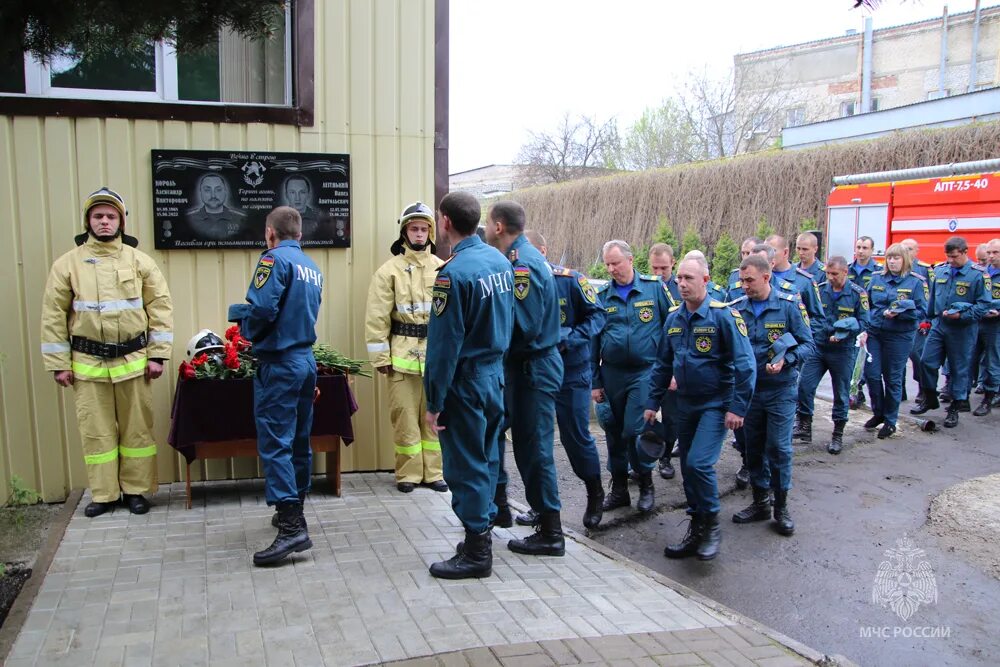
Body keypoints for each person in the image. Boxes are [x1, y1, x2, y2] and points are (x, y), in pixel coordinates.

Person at [41, 187, 173, 518]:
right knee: (96, 433)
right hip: (86, 363)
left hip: (134, 361)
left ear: (121, 222)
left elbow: (160, 307)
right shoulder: (67, 264)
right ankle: (104, 494)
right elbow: (53, 314)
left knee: (137, 432)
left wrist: (157, 356)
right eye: (98, 216)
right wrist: (59, 364)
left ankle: (136, 491)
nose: (104, 221)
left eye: (110, 216)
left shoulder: (140, 261)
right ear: (88, 221)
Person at [423, 192, 513, 579]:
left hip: (467, 381)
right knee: (489, 456)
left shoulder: (453, 274)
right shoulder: (498, 260)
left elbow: (444, 347)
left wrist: (433, 401)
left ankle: (477, 550)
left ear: (444, 222)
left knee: (465, 464)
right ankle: (481, 534)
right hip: (494, 375)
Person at [229, 206, 323, 566]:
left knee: (276, 444)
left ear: (270, 233)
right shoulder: (311, 267)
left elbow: (263, 309)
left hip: (280, 363)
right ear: (299, 234)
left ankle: (291, 527)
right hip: (304, 361)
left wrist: (244, 325)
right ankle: (293, 508)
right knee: (299, 439)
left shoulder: (272, 261)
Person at [644, 257, 755, 561]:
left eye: (689, 278)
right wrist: (652, 402)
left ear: (705, 281)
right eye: (679, 278)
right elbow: (662, 364)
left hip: (716, 404)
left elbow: (746, 365)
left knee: (699, 464)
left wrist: (737, 408)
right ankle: (696, 529)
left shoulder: (724, 317)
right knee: (687, 467)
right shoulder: (673, 318)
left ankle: (712, 527)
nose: (681, 284)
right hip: (686, 405)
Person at [485, 202, 567, 557]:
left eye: (488, 223)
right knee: (518, 445)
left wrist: (486, 336)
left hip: (533, 367)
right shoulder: (520, 258)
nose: (485, 229)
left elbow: (525, 325)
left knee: (535, 451)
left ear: (499, 226)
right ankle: (503, 506)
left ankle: (551, 532)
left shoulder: (524, 264)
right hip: (524, 367)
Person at [512, 230, 607, 529]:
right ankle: (541, 506)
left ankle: (595, 492)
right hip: (535, 372)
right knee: (535, 441)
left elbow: (597, 316)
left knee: (574, 436)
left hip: (571, 372)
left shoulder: (569, 280)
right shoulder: (516, 281)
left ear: (543, 249)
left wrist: (569, 338)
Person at [364, 202, 447, 493]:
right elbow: (376, 318)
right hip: (401, 357)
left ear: (431, 233)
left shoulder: (443, 268)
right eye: (414, 228)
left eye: (425, 229)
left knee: (435, 416)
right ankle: (408, 475)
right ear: (404, 232)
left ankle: (434, 473)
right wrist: (380, 358)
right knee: (405, 417)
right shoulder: (389, 272)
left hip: (436, 357)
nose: (420, 234)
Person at [731, 255, 815, 537]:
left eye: (750, 280)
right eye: (742, 281)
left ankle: (781, 506)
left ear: (767, 277)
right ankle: (760, 502)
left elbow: (808, 344)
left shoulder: (789, 305)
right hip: (750, 391)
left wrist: (787, 360)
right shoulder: (737, 309)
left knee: (778, 448)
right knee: (752, 448)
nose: (744, 286)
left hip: (780, 390)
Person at [592, 240, 674, 515]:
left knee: (634, 429)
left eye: (616, 262)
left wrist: (670, 370)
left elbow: (671, 328)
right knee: (614, 432)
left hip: (645, 371)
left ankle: (646, 483)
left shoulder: (653, 288)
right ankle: (619, 490)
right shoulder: (602, 296)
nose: (611, 268)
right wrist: (595, 381)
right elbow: (593, 340)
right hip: (612, 373)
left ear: (630, 259)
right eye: (607, 264)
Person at [913, 236, 992, 428]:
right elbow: (932, 299)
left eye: (954, 257)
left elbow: (983, 305)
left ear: (965, 252)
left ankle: (955, 407)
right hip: (940, 324)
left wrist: (963, 316)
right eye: (948, 256)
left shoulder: (979, 275)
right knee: (926, 361)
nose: (951, 260)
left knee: (959, 369)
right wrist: (928, 320)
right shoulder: (940, 270)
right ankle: (930, 396)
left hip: (963, 329)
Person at [795, 256, 870, 452]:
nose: (830, 277)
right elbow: (809, 315)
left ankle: (837, 434)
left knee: (841, 393)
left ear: (845, 272)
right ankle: (804, 427)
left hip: (843, 351)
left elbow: (864, 321)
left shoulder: (857, 293)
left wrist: (845, 333)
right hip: (819, 346)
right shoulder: (820, 289)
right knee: (804, 386)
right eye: (828, 273)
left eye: (834, 274)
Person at [862, 244, 928, 439]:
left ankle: (890, 420)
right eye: (889, 258)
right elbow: (866, 305)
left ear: (905, 260)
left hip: (900, 336)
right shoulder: (876, 278)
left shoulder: (916, 282)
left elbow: (923, 311)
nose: (892, 261)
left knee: (893, 378)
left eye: (896, 258)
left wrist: (900, 313)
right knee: (872, 375)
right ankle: (878, 412)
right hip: (875, 333)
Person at [648, 243, 680, 481]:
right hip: (647, 362)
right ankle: (643, 458)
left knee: (670, 416)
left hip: (670, 364)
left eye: (664, 268)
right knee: (645, 413)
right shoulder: (647, 288)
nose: (659, 273)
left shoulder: (681, 289)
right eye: (655, 268)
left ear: (673, 264)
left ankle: (665, 457)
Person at [766, 235, 826, 340]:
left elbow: (818, 319)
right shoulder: (762, 278)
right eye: (765, 251)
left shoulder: (805, 281)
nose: (768, 256)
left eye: (773, 251)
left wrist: (799, 338)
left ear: (785, 252)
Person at [900, 238, 934, 405]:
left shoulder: (925, 269)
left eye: (910, 249)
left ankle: (922, 386)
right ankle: (900, 390)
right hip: (899, 320)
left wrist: (927, 320)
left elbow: (931, 297)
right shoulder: (896, 267)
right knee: (899, 356)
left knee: (916, 354)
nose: (907, 252)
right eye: (904, 248)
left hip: (919, 320)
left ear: (917, 251)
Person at [849, 236, 878, 409]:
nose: (860, 251)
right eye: (858, 247)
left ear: (872, 251)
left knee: (865, 360)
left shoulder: (877, 272)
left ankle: (859, 386)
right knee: (852, 360)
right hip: (850, 321)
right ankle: (855, 390)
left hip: (868, 322)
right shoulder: (847, 269)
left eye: (865, 248)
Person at [972, 238, 1000, 415]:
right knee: (971, 358)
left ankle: (989, 398)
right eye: (989, 253)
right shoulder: (982, 272)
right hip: (978, 321)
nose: (991, 256)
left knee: (992, 361)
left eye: (995, 252)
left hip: (996, 325)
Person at [184, 173, 248, 241]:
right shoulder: (189, 218)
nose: (213, 195)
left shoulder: (240, 218)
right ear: (200, 192)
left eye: (218, 190)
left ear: (225, 192)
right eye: (207, 190)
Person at [284, 175, 330, 240]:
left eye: (302, 192)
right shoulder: (278, 218)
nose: (297, 198)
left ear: (308, 194)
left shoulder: (319, 217)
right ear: (286, 195)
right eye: (292, 192)